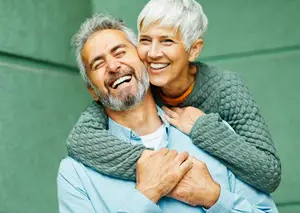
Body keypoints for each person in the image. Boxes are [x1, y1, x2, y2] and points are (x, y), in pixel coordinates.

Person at [57, 13, 278, 212]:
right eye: (98, 64)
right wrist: (146, 195)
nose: (113, 66)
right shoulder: (75, 174)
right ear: (92, 91)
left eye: (120, 52)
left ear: (144, 61)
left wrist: (215, 198)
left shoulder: (215, 136)